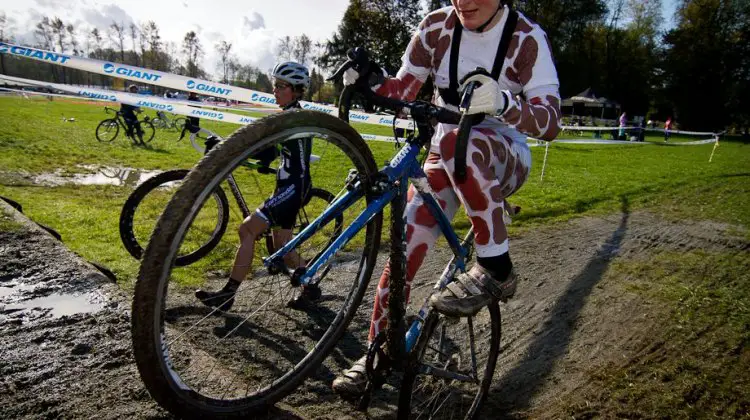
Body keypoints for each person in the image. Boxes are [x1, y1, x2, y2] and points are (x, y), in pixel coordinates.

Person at [332, 0, 561, 396]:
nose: (465, 2)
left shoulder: (525, 38)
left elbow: (551, 122)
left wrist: (505, 103)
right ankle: (375, 355)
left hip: (503, 155)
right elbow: (403, 89)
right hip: (447, 153)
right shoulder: (436, 26)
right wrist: (370, 80)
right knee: (404, 252)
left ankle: (497, 269)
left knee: (459, 141)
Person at [194, 61, 316, 311]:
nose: (275, 90)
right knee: (285, 249)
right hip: (291, 187)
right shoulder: (291, 116)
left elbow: (259, 146)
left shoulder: (292, 118)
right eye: (275, 85)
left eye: (281, 86)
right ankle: (311, 285)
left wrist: (224, 146)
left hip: (292, 190)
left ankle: (227, 295)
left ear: (296, 90)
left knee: (247, 230)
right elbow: (269, 151)